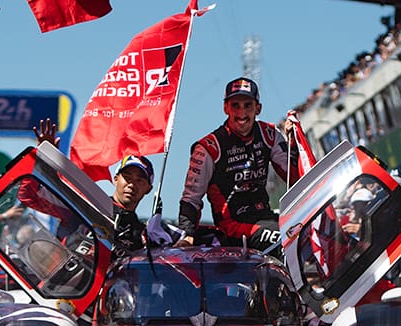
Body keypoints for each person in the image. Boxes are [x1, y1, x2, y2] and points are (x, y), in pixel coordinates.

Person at [177, 77, 294, 251]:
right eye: (235, 105)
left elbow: (294, 175)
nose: (241, 113)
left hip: (266, 216)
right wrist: (187, 234)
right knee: (283, 238)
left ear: (258, 108)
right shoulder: (208, 147)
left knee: (304, 229)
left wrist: (294, 142)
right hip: (232, 226)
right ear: (225, 108)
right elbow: (191, 198)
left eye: (248, 105)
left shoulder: (269, 134)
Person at [109, 154, 154, 259]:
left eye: (139, 180)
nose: (132, 185)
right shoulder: (93, 207)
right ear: (115, 180)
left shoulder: (142, 234)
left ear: (149, 189)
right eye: (127, 178)